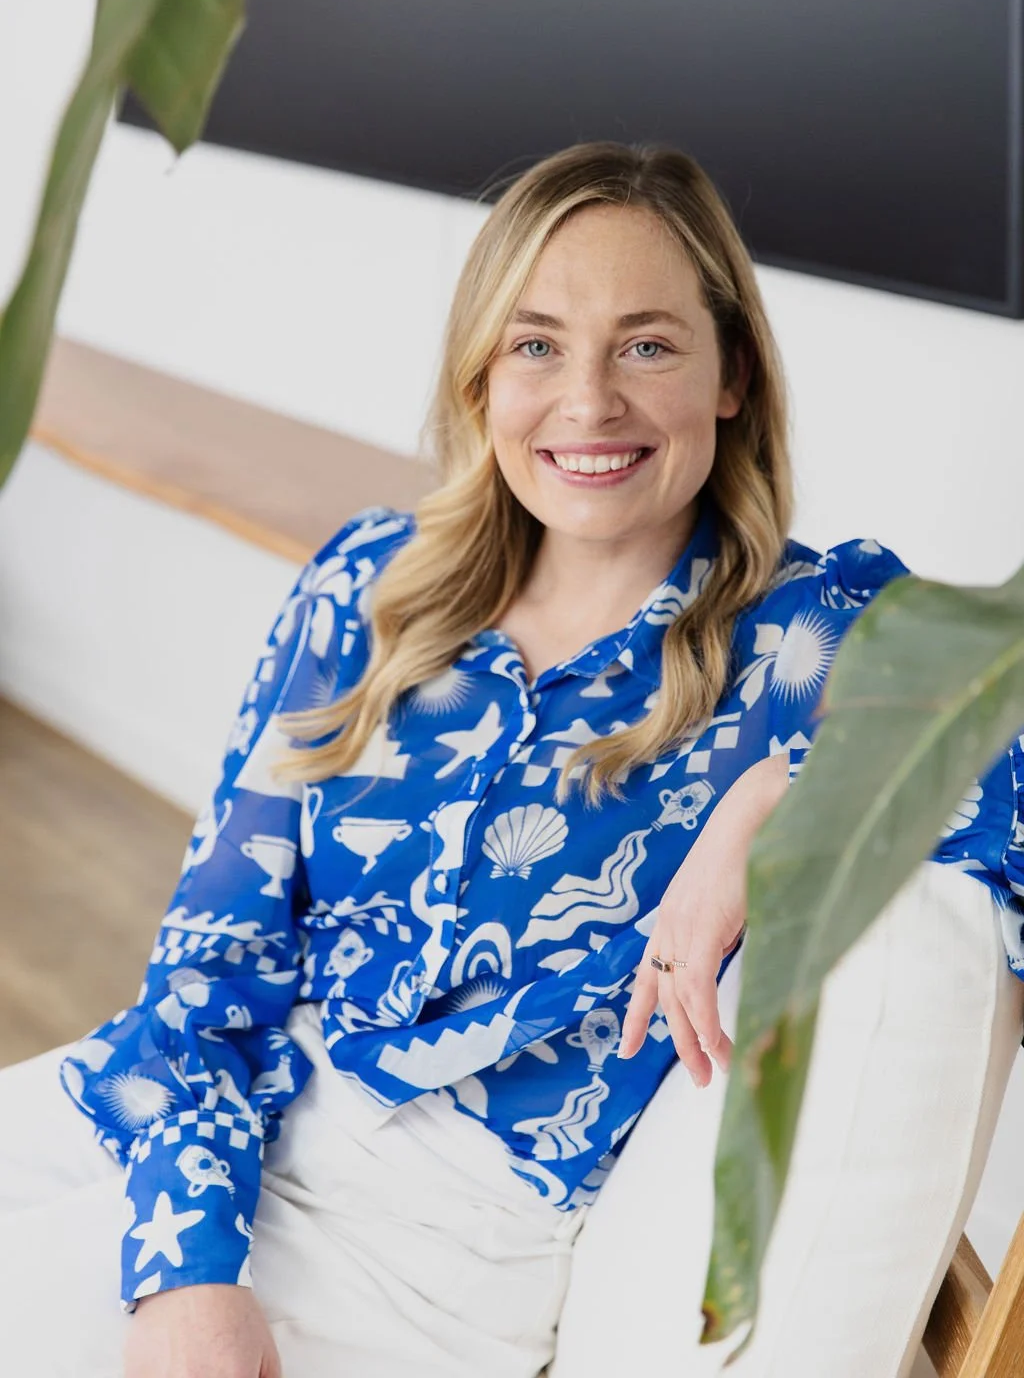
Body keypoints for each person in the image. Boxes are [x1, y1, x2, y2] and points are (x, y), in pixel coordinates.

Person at [0, 141, 1020, 1378]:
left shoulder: (820, 629)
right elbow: (215, 962)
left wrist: (781, 795)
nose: (587, 402)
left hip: (434, 1236)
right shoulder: (366, 583)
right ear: (481, 372)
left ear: (732, 372)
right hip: (180, 1119)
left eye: (646, 344)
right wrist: (189, 1267)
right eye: (535, 343)